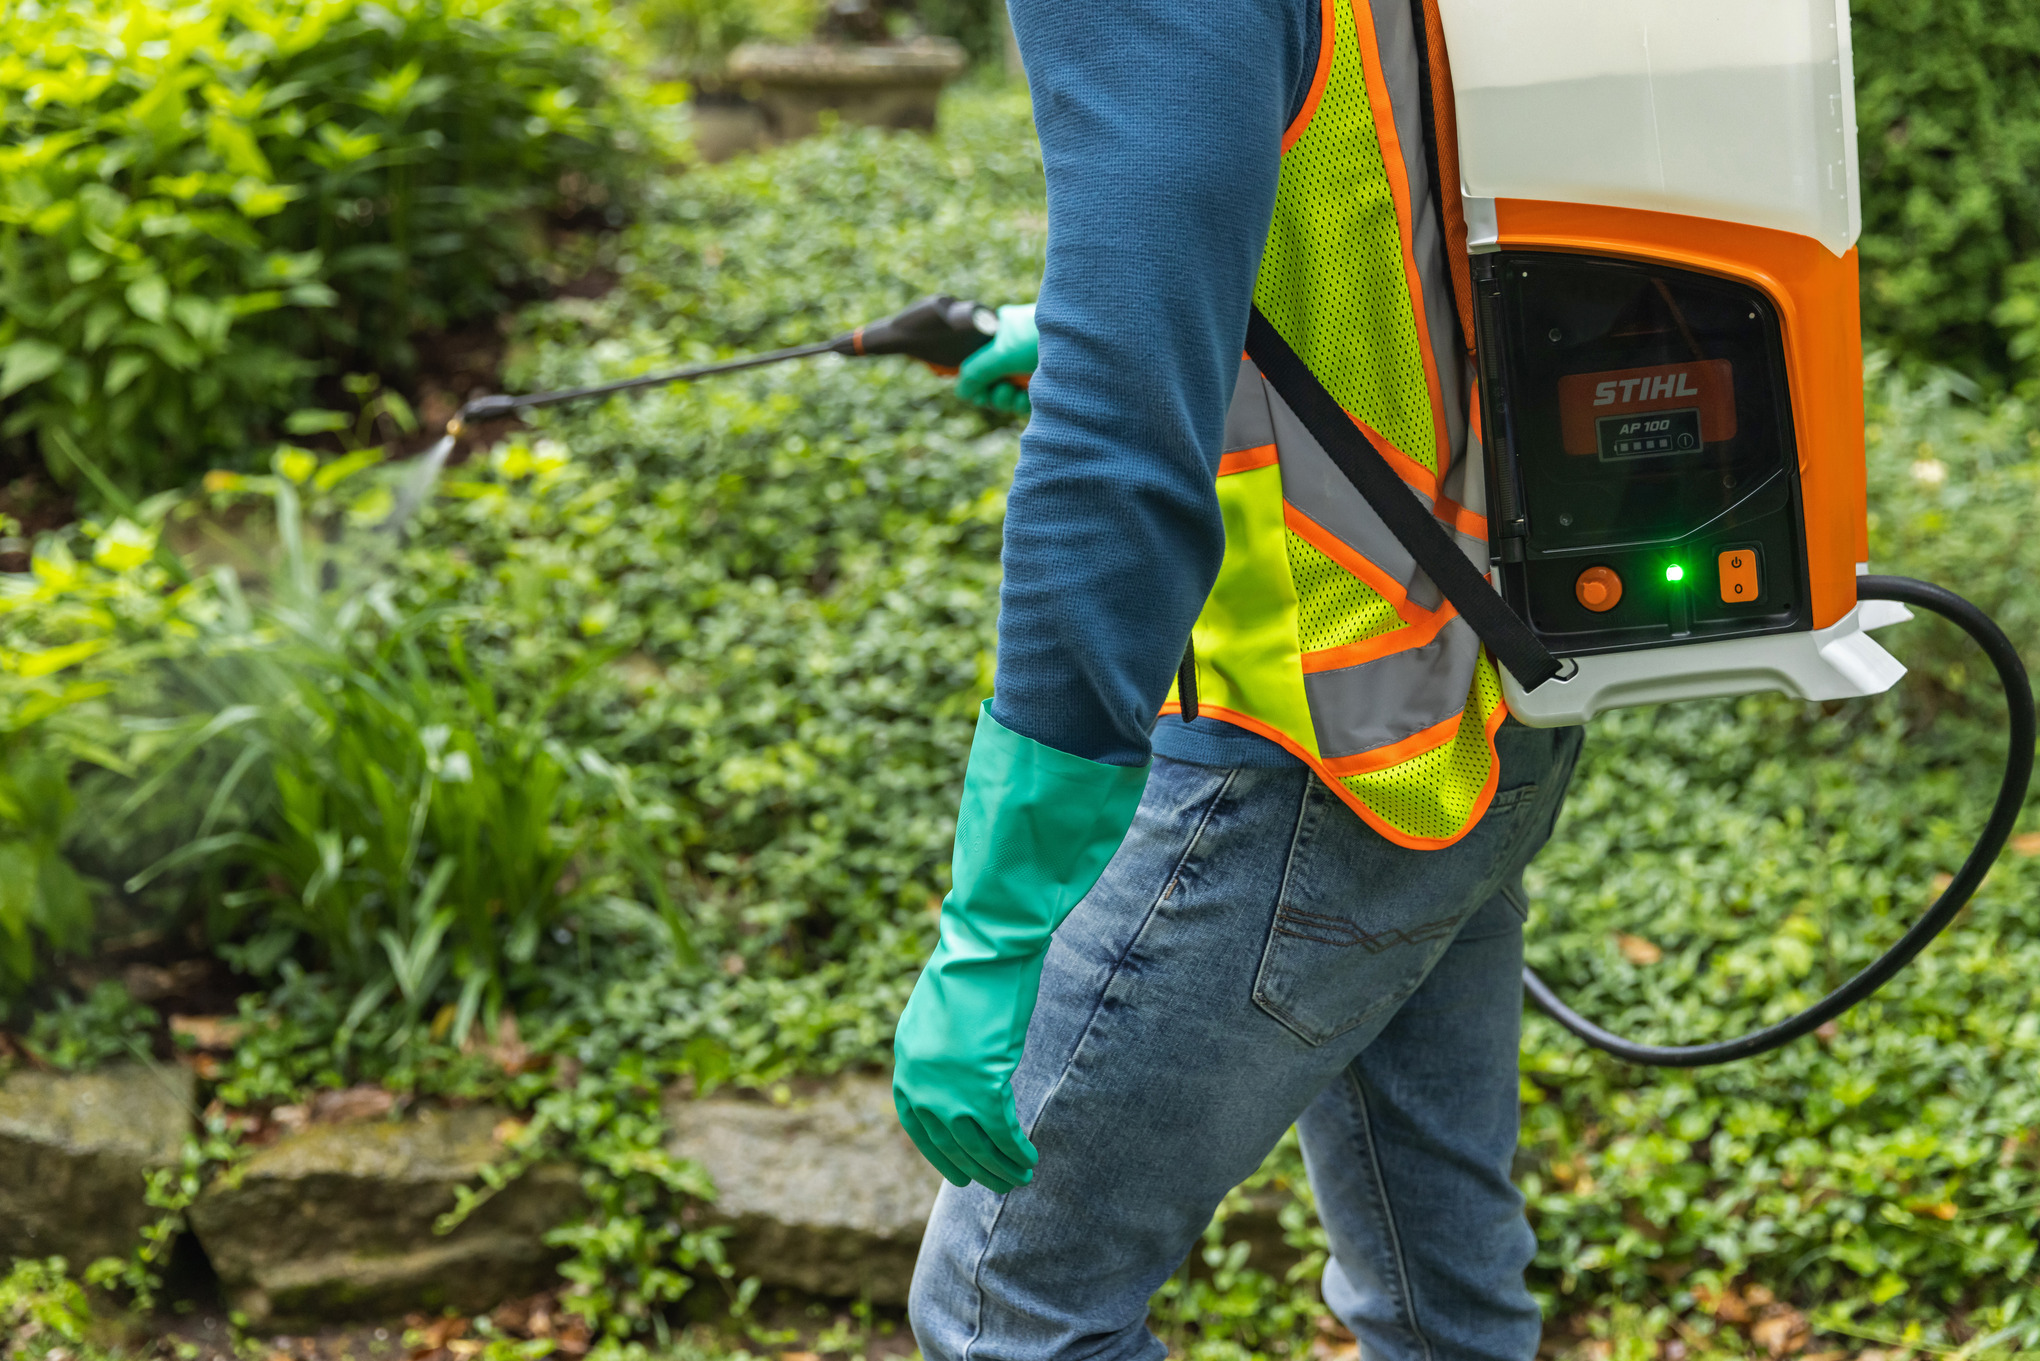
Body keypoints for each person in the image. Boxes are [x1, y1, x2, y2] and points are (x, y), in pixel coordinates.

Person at [893, 3, 1585, 1359]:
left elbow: (1114, 456)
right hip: (1481, 695)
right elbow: (1376, 208)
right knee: (1441, 1297)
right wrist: (1178, 308)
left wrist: (995, 920)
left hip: (1307, 741)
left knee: (1010, 1312)